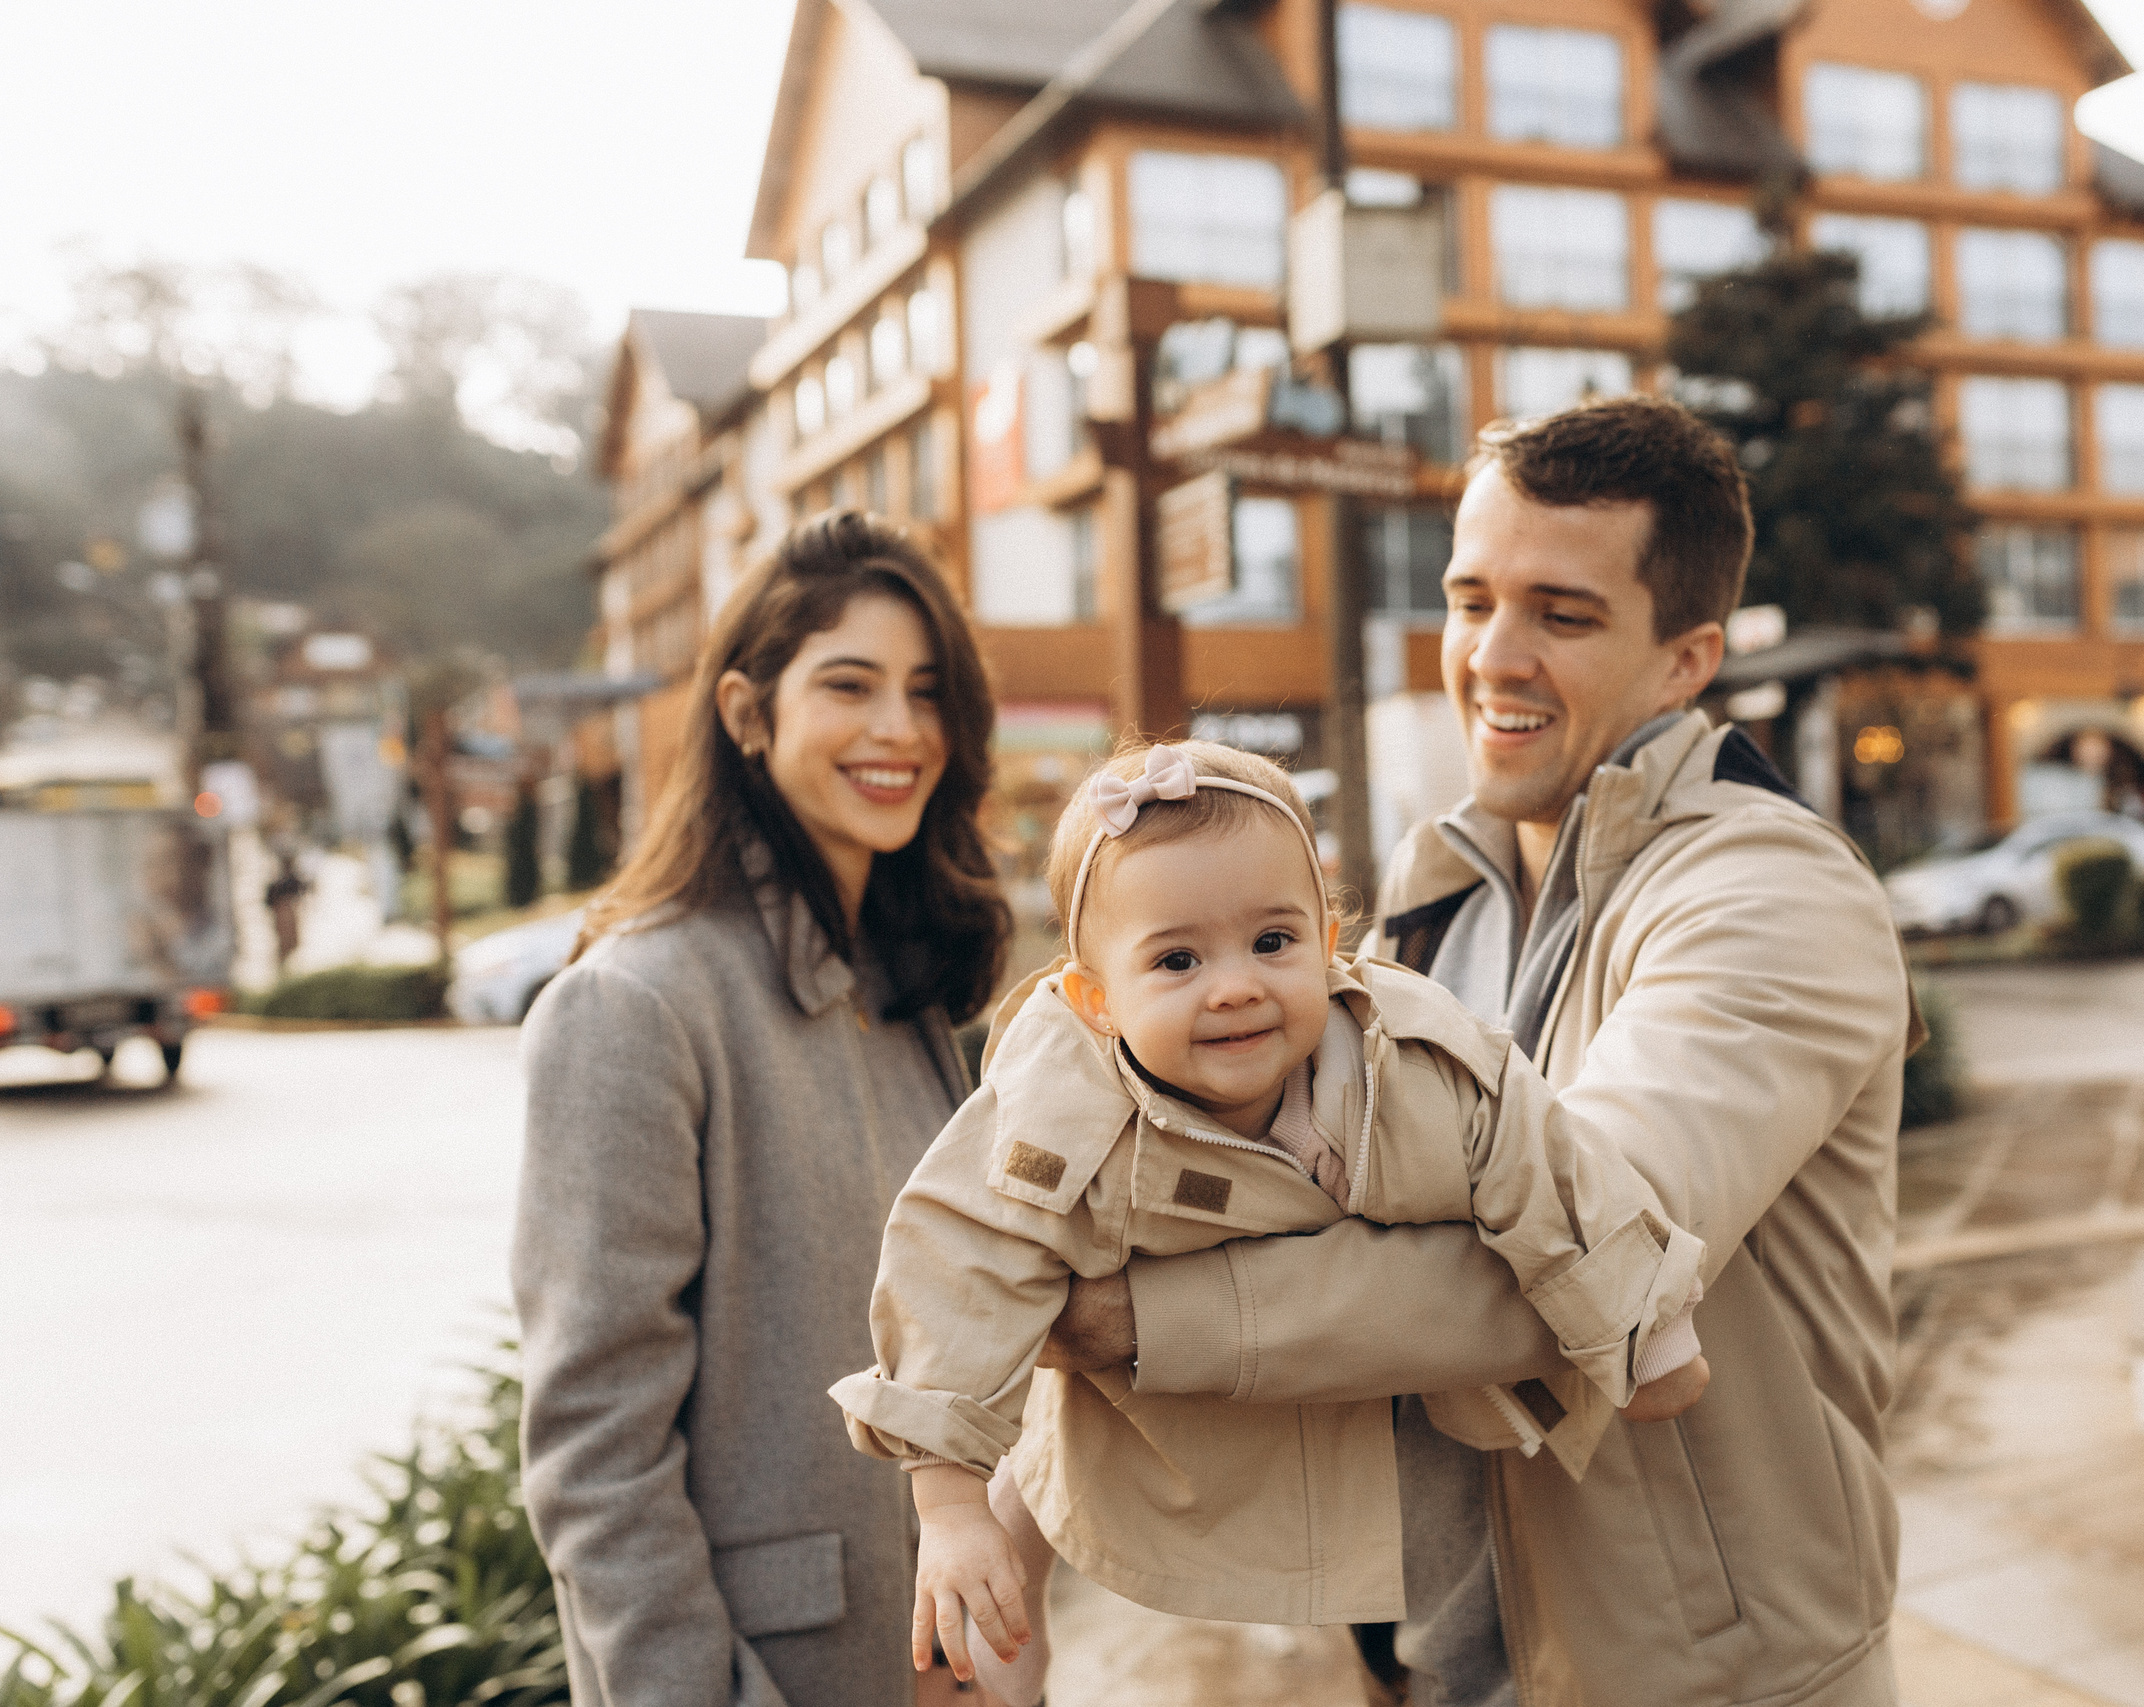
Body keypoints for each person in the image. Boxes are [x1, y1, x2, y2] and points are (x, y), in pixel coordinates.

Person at [1045, 397, 1919, 1704]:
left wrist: (1147, 1321)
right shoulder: (1430, 893)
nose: (1491, 655)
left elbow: (1598, 1249)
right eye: (1469, 599)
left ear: (1686, 660)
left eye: (1562, 615)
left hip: (1711, 1671)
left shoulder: (1769, 892)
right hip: (1452, 1653)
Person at [832, 740, 1714, 1705]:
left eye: (1273, 941)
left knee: (1460, 1561)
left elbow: (1541, 1155)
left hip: (1373, 1377)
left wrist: (1640, 1318)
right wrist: (949, 1499)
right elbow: (958, 1258)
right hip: (1148, 1401)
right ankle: (1017, 1534)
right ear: (1096, 1000)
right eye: (1176, 959)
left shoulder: (1412, 1063)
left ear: (1331, 941)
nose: (1236, 985)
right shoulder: (1055, 1110)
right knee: (1053, 1378)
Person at [512, 512, 1010, 1707]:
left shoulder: (906, 1001)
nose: (899, 730)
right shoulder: (632, 1006)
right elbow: (595, 1453)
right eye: (851, 685)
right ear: (747, 713)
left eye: (926, 692)